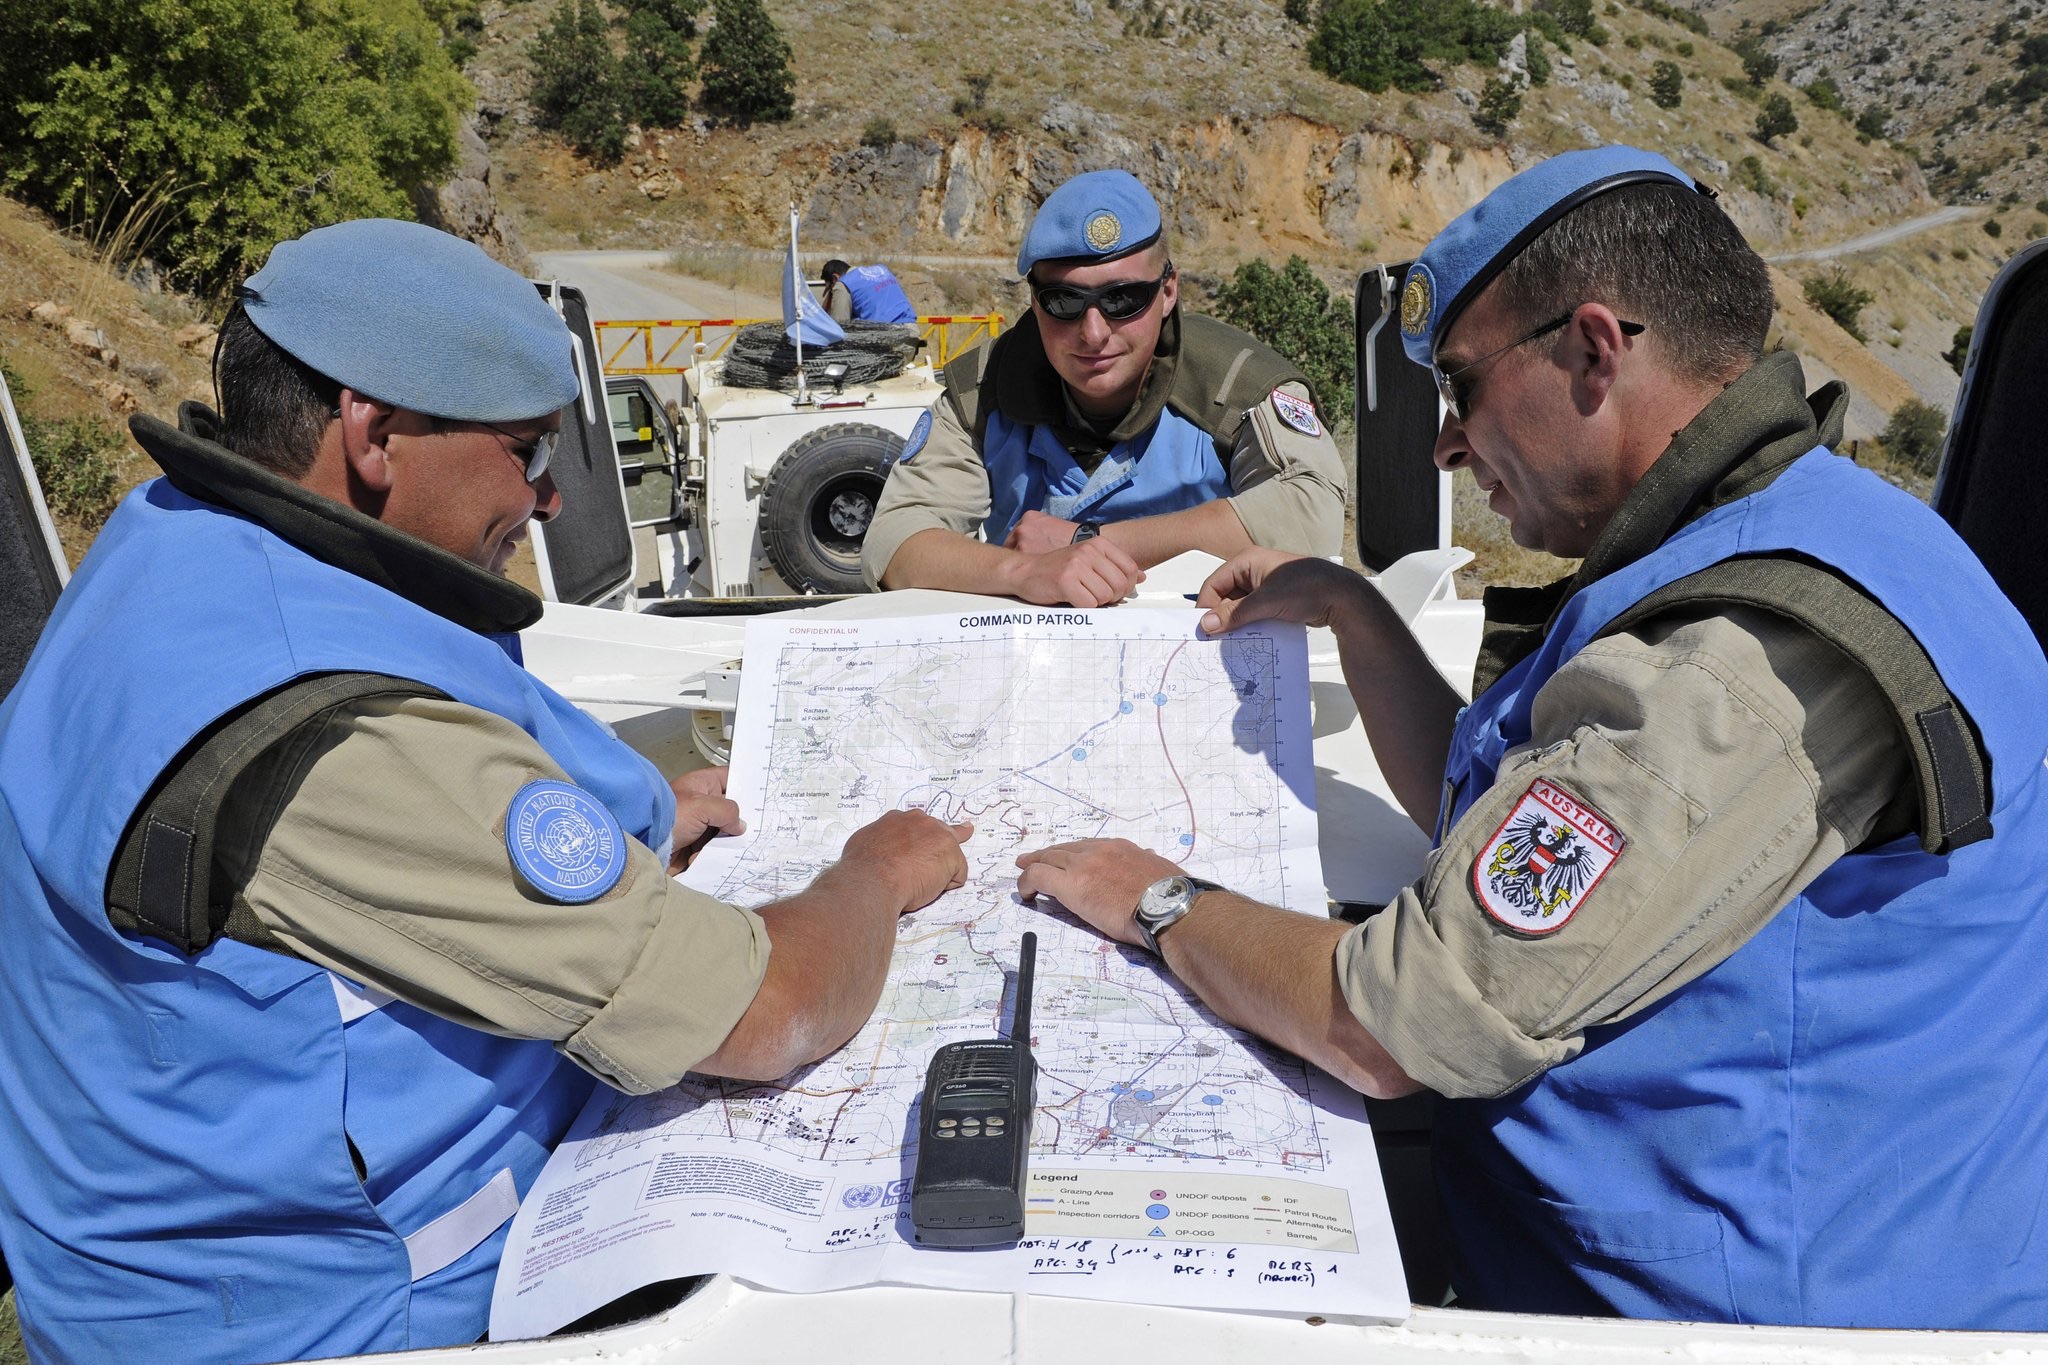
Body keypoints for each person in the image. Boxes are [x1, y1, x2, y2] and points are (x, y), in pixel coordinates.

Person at [1014, 147, 2048, 1329]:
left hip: (1730, 1315)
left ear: (1593, 351)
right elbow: (1497, 819)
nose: (1447, 443)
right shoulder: (1808, 524)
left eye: (1459, 387)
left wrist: (1155, 902)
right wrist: (1349, 608)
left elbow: (1395, 1021)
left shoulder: (1734, 666)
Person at [0, 219, 971, 1364]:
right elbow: (767, 1012)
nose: (550, 502)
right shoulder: (340, 742)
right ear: (374, 434)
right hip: (337, 1318)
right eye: (527, 453)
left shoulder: (170, 539)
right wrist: (871, 874)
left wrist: (634, 821)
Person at [860, 168, 1347, 607]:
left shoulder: (1235, 383)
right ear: (1034, 300)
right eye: (1064, 301)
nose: (1093, 333)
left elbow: (1311, 514)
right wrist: (1024, 571)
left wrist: (1087, 543)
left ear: (1168, 290)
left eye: (1123, 299)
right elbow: (894, 541)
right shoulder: (980, 390)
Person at [820, 258, 918, 324]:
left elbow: (840, 324)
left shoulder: (842, 284)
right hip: (910, 327)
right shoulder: (882, 270)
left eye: (830, 288)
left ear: (835, 278)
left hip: (887, 335)